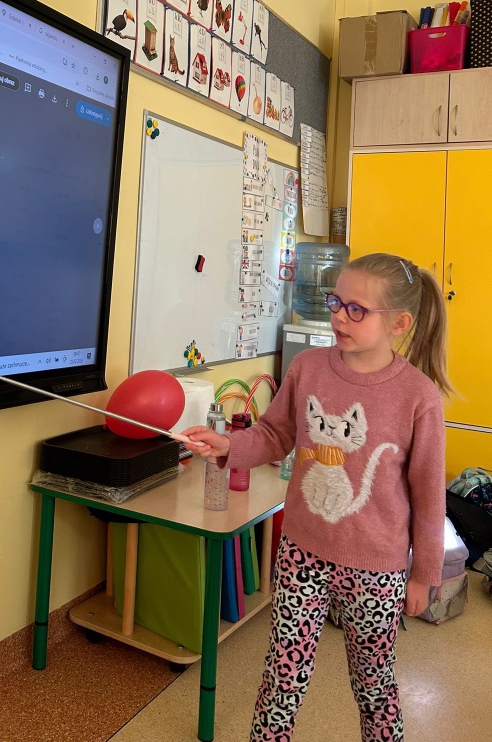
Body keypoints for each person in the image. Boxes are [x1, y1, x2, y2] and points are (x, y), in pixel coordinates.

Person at [186, 253, 451, 742]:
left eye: (357, 310)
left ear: (399, 323)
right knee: (282, 677)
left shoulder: (419, 397)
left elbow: (430, 496)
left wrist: (424, 573)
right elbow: (274, 434)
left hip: (377, 569)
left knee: (374, 683)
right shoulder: (307, 367)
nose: (339, 317)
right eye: (336, 302)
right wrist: (227, 446)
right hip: (301, 553)